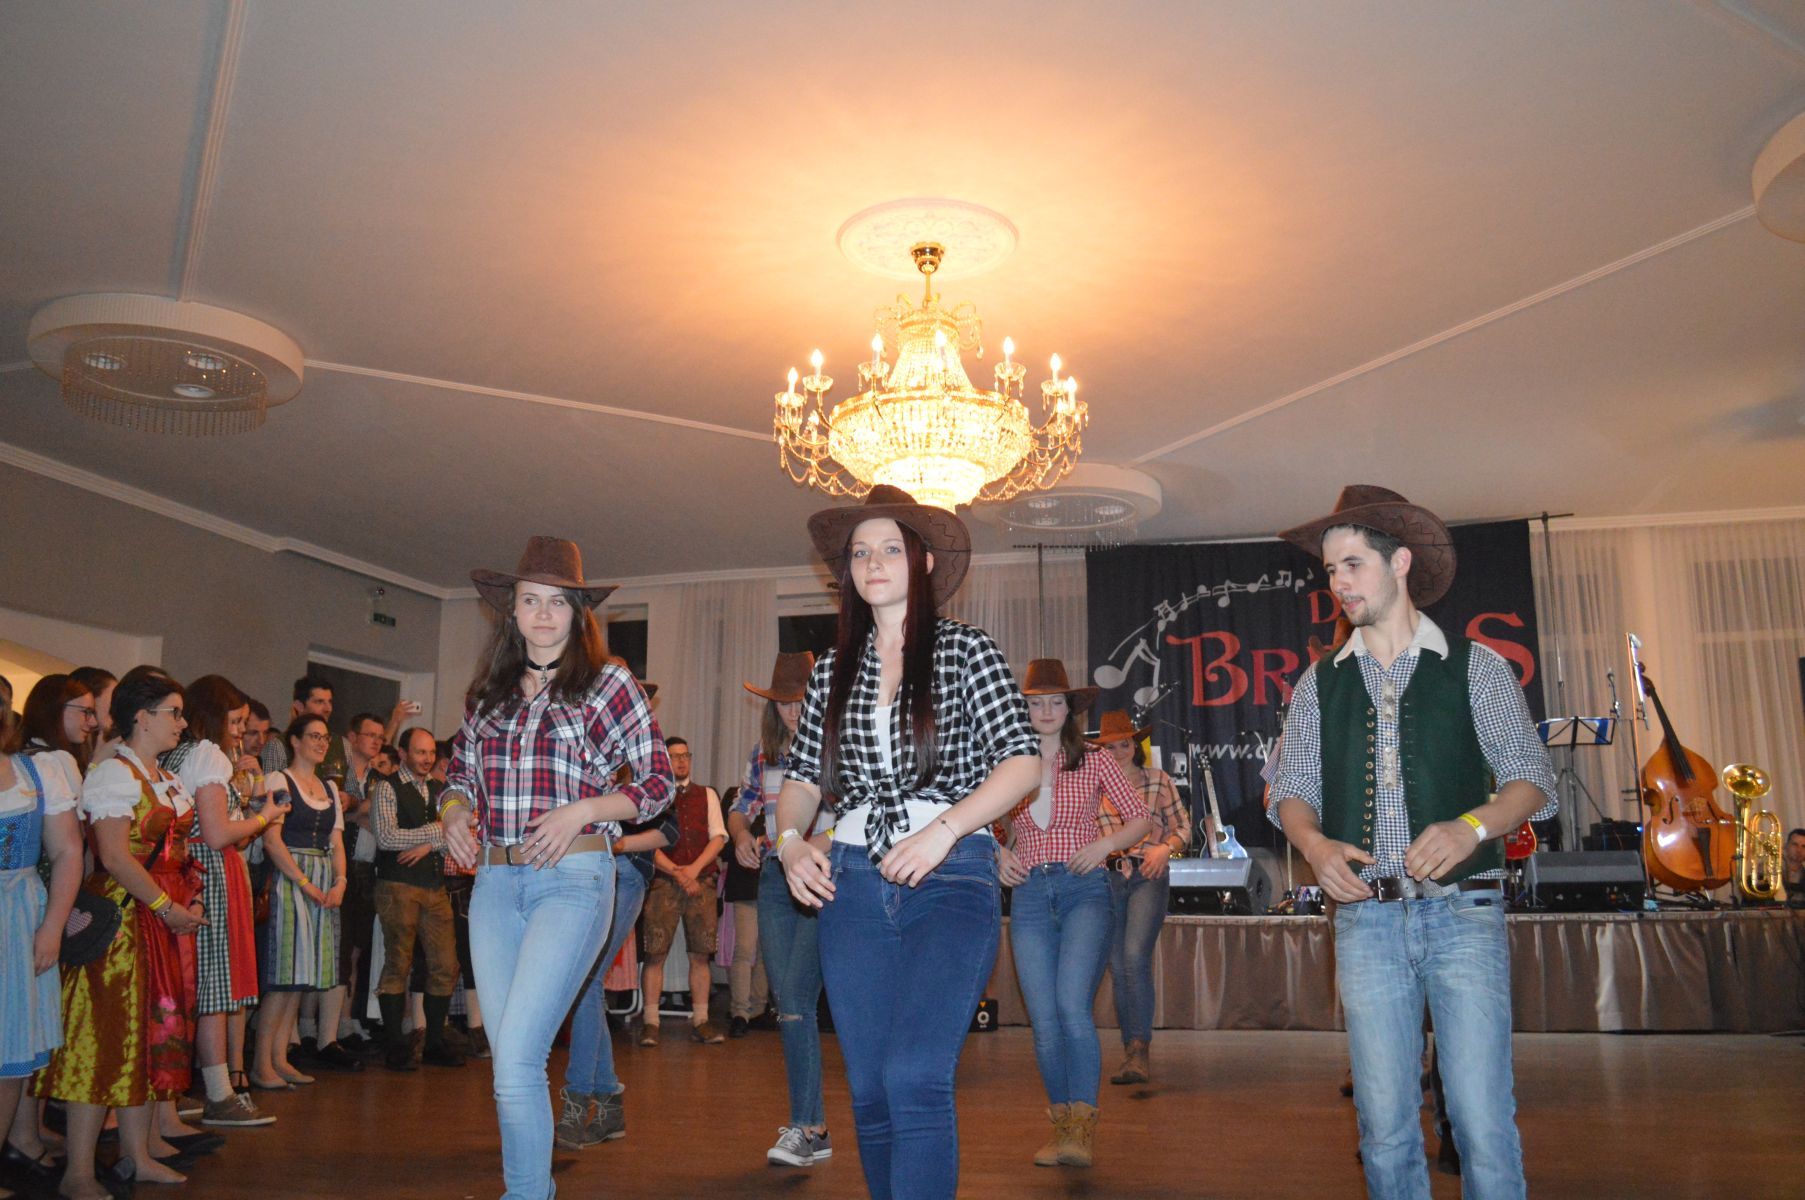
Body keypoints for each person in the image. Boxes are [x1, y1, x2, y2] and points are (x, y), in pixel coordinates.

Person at [1267, 485, 1557, 1200]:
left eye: (1353, 564)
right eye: (1330, 570)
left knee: (1481, 1119)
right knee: (1384, 1126)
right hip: (1366, 919)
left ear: (1398, 563)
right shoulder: (1319, 683)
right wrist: (1315, 846)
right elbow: (1289, 790)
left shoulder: (1475, 665)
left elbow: (1531, 780)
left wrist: (1470, 826)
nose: (1338, 584)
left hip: (1464, 913)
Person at [775, 485, 1040, 1200]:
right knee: (868, 1089)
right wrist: (790, 840)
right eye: (860, 552)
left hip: (951, 873)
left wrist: (944, 830)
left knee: (914, 1076)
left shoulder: (966, 649)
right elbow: (801, 777)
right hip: (851, 881)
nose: (873, 563)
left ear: (921, 563)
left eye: (890, 549)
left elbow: (1023, 762)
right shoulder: (831, 669)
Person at [440, 535, 673, 1200]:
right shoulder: (485, 694)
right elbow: (458, 777)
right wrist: (454, 814)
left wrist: (585, 810)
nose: (543, 613)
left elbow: (658, 782)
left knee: (518, 1056)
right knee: (508, 1065)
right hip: (494, 882)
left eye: (558, 602)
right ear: (511, 611)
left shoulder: (609, 683)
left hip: (573, 879)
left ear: (578, 613)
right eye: (530, 600)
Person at [37, 666, 208, 1197]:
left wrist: (191, 896)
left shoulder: (165, 778)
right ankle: (78, 1172)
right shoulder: (115, 775)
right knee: (105, 1039)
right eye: (173, 713)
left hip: (162, 918)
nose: (181, 723)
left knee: (151, 1040)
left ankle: (137, 1155)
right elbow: (113, 856)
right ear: (142, 716)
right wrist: (164, 905)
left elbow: (180, 852)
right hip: (124, 923)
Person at [999, 662, 1151, 1169]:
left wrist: (1105, 845)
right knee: (1043, 1022)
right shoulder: (1008, 762)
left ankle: (1082, 1128)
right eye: (1035, 702)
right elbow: (980, 821)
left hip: (1083, 888)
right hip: (1028, 895)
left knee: (1070, 1006)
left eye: (1055, 701)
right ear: (1024, 708)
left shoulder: (1094, 759)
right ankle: (1063, 1127)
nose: (1045, 710)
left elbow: (1141, 819)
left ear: (1070, 708)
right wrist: (999, 854)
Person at [165, 674, 288, 1127]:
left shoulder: (178, 754)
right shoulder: (207, 753)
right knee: (214, 987)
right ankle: (219, 1093)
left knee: (189, 985)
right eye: (234, 722)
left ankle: (173, 1091)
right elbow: (217, 833)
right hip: (209, 870)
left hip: (187, 868)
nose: (238, 732)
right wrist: (265, 817)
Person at [731, 650, 836, 1167]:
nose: (794, 711)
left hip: (824, 879)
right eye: (784, 703)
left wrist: (818, 844)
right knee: (788, 1003)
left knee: (795, 997)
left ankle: (808, 1126)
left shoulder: (837, 747)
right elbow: (740, 806)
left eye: (801, 701)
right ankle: (812, 1127)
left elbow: (859, 814)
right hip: (775, 878)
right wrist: (739, 836)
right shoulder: (765, 752)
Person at [557, 763, 677, 1149]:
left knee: (586, 982)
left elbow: (670, 832)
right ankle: (607, 1108)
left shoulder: (641, 769)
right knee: (586, 985)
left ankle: (579, 1103)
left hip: (624, 873)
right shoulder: (582, 766)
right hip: (584, 872)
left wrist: (621, 844)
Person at [0, 678, 83, 1189]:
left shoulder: (37, 772)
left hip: (16, 918)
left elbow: (69, 851)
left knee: (8, 1049)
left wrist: (52, 927)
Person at [1089, 708, 1192, 1087]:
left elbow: (1184, 827)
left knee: (1133, 957)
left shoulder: (1158, 780)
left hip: (1148, 872)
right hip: (1108, 877)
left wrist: (1165, 848)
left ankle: (1138, 1048)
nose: (1118, 751)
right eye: (1110, 746)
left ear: (1136, 745)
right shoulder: (1092, 786)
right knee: (1118, 965)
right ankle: (1132, 1050)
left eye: (1124, 744)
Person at [252, 713, 348, 1090]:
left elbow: (336, 842)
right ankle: (261, 1063)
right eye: (314, 736)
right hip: (290, 879)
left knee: (300, 977)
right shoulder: (280, 781)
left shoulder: (328, 788)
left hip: (322, 880)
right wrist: (304, 881)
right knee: (283, 977)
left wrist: (340, 881)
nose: (321, 743)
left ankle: (280, 1058)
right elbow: (272, 839)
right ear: (294, 741)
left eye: (325, 737)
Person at [368, 726, 464, 1070]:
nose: (427, 758)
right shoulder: (387, 787)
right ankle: (395, 1045)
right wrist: (438, 833)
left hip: (433, 885)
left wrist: (427, 844)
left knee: (445, 964)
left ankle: (434, 1042)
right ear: (403, 753)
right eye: (420, 752)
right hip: (397, 884)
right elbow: (387, 838)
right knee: (398, 962)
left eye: (431, 753)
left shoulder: (439, 789)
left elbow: (460, 832)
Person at [636, 736, 727, 1045]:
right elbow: (646, 842)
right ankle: (651, 1023)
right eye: (675, 756)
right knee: (655, 953)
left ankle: (701, 1020)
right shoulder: (653, 797)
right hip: (663, 882)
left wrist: (693, 870)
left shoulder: (707, 795)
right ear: (664, 759)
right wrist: (677, 871)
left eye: (685, 755)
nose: (681, 761)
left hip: (701, 882)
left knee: (700, 954)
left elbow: (718, 837)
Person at [718, 783, 768, 1039]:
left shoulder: (781, 800)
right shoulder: (736, 799)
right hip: (746, 883)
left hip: (773, 883)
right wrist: (747, 841)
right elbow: (726, 847)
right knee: (745, 948)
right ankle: (740, 1011)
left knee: (765, 951)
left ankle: (758, 1009)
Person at [1783, 828, 1805, 906]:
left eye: (1803, 846)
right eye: (1795, 844)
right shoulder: (1771, 873)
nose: (1799, 850)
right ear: (1785, 846)